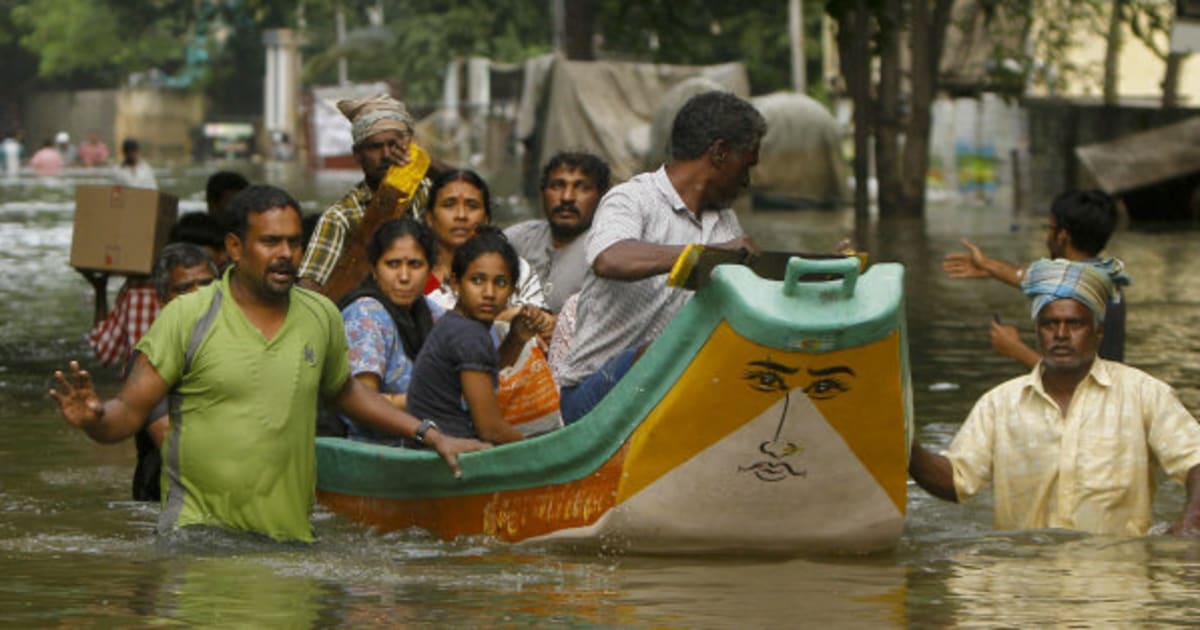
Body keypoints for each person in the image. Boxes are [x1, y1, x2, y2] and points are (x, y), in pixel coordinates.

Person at [50, 184, 487, 543]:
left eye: (294, 243)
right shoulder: (187, 317)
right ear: (236, 248)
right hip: (199, 539)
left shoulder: (320, 315)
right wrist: (93, 417)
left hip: (290, 542)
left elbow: (347, 391)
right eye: (270, 242)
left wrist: (429, 433)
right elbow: (128, 411)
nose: (286, 254)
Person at [909, 259, 1200, 537]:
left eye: (1075, 324)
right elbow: (956, 480)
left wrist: (1190, 523)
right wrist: (902, 442)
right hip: (1024, 582)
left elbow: (1195, 459)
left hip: (1117, 580)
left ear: (1098, 333)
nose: (1061, 334)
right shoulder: (999, 404)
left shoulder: (1144, 394)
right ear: (1037, 332)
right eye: (1050, 324)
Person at [557, 90, 765, 423]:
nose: (747, 180)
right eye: (746, 165)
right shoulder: (631, 199)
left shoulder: (724, 223)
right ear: (720, 153)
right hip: (591, 396)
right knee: (667, 352)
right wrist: (707, 255)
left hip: (673, 384)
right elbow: (610, 259)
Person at [943, 189, 1130, 366]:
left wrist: (1014, 348)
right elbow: (1032, 278)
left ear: (1062, 236)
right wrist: (988, 267)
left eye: (1050, 228)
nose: (1047, 236)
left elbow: (1067, 378)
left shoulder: (1072, 297)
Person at [407, 228, 551, 446]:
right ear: (456, 283)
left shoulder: (456, 323)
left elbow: (484, 372)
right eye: (477, 280)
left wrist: (515, 338)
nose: (489, 293)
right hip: (444, 451)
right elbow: (490, 430)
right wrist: (544, 452)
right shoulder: (469, 334)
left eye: (500, 283)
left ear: (513, 290)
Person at [299, 94, 432, 293]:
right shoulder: (341, 217)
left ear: (408, 148)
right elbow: (308, 291)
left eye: (394, 145)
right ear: (357, 155)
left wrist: (426, 163)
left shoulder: (432, 195)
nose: (386, 155)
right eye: (375, 147)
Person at [338, 218, 445, 443]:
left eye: (415, 265)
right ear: (374, 270)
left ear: (430, 271)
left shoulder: (433, 314)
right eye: (393, 264)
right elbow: (364, 402)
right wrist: (434, 398)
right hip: (370, 449)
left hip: (422, 441)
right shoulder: (365, 314)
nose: (404, 277)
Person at [131, 243, 219, 502]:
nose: (198, 296)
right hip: (163, 504)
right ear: (163, 301)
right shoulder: (150, 358)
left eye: (206, 285)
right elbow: (170, 441)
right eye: (183, 289)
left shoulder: (244, 344)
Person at [423, 169, 547, 312]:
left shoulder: (515, 268)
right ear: (430, 217)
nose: (461, 215)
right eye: (449, 205)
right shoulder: (413, 270)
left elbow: (538, 322)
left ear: (486, 219)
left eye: (472, 206)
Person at [503, 151, 611, 313]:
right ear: (543, 193)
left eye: (581, 187)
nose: (567, 197)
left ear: (602, 197)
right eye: (557, 186)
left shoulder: (608, 252)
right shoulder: (519, 239)